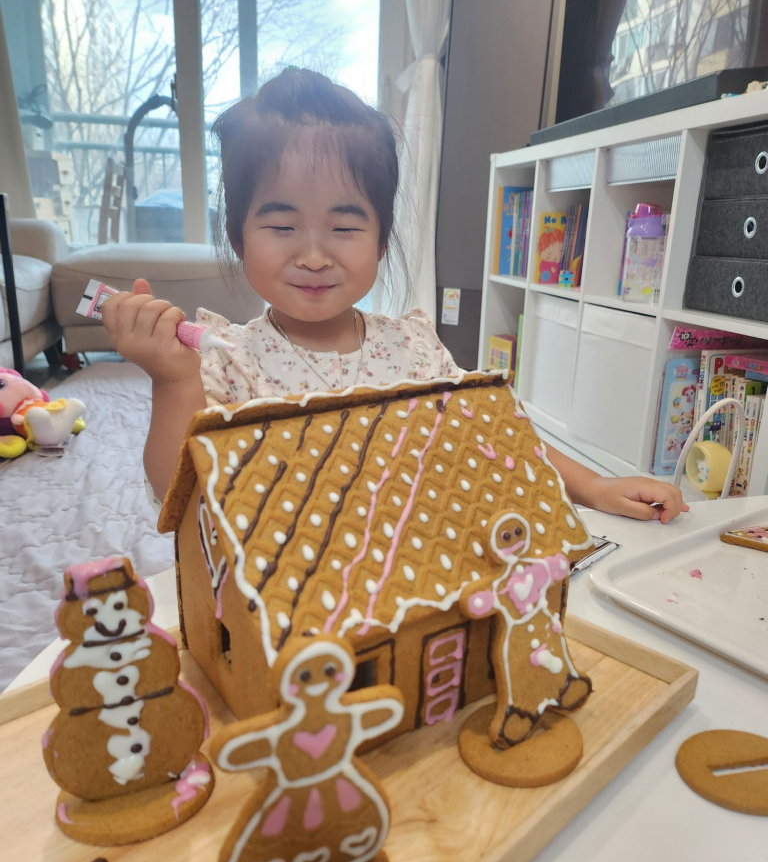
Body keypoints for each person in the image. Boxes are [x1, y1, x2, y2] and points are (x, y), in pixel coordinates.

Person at [101, 67, 687, 525]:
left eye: (345, 227)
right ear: (238, 237)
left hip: (414, 560)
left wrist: (593, 486)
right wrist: (172, 380)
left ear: (380, 240)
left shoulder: (411, 346)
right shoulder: (226, 358)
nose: (313, 254)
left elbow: (492, 430)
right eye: (281, 227)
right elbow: (177, 490)